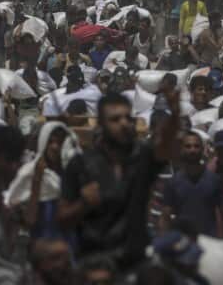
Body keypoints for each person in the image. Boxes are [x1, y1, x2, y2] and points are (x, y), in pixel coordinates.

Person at [60, 85, 179, 270]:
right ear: (101, 124)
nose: (124, 123)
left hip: (135, 264)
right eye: (115, 119)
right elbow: (62, 219)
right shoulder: (81, 165)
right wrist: (83, 204)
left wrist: (175, 113)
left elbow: (165, 147)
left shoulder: (142, 158)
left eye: (127, 118)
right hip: (95, 265)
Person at [161, 131, 223, 237]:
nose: (192, 150)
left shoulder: (215, 180)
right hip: (183, 243)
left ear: (202, 149)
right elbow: (165, 216)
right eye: (188, 146)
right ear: (181, 150)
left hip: (210, 242)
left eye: (196, 146)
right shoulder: (173, 182)